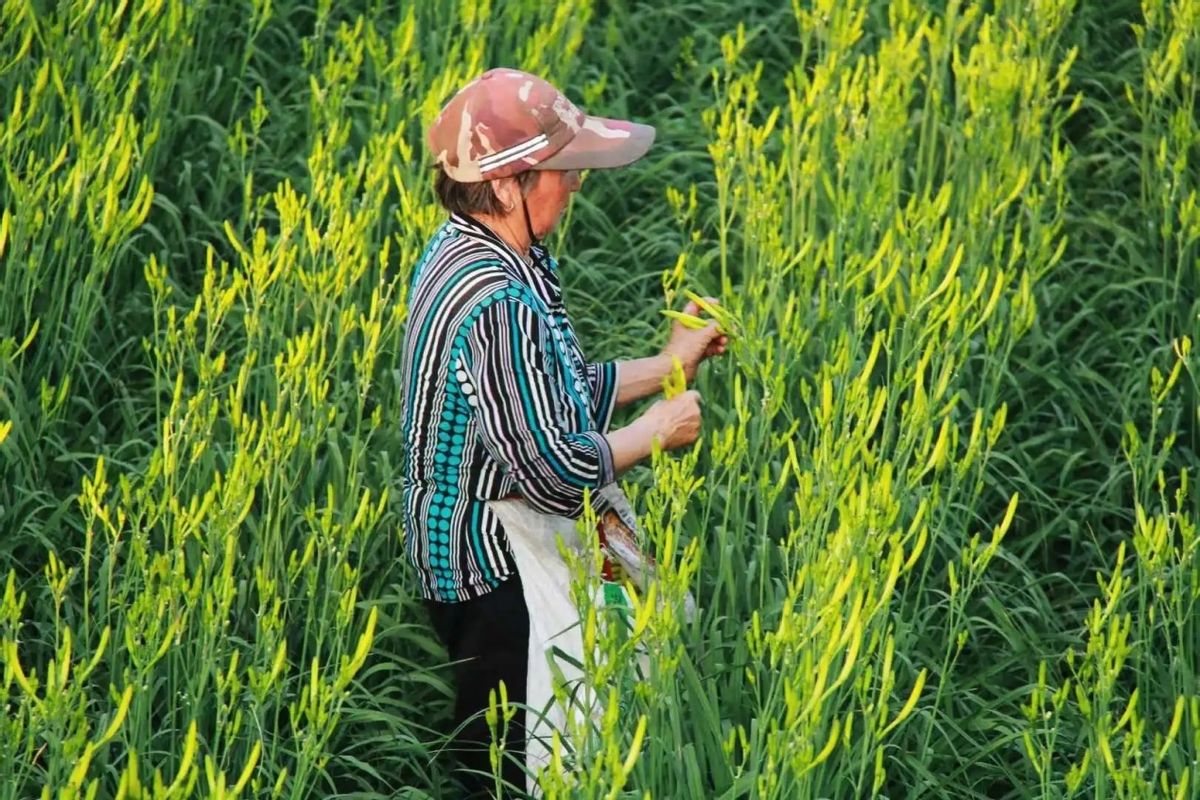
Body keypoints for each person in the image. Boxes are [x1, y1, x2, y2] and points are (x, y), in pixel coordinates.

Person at [398, 67, 727, 798]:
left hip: (495, 542)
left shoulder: (480, 249)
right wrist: (656, 430)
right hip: (490, 568)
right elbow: (551, 470)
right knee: (505, 769)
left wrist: (668, 366)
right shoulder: (493, 299)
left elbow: (553, 393)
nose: (575, 184)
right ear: (506, 185)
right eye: (561, 169)